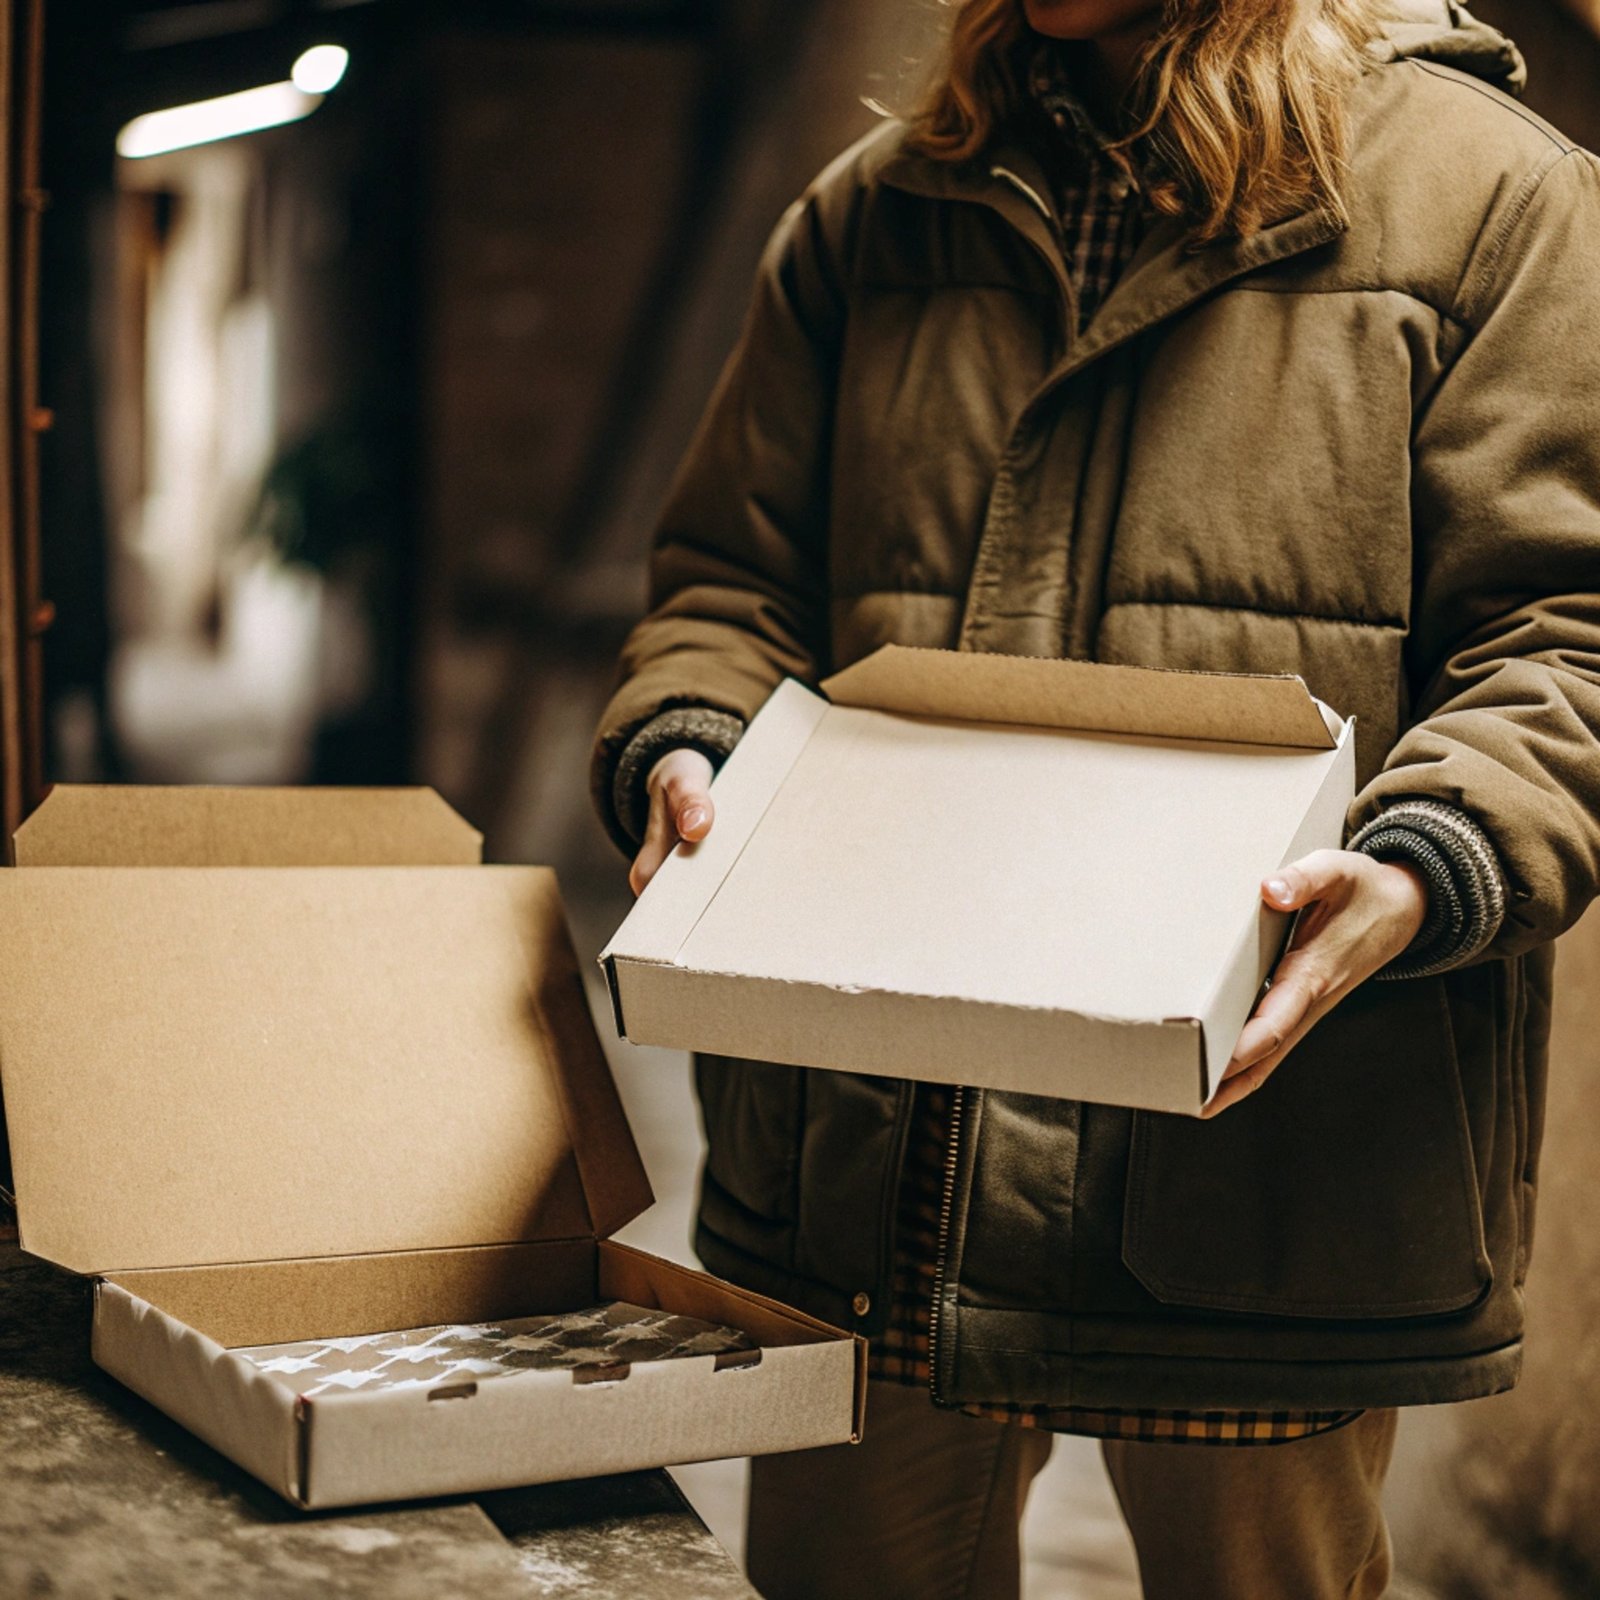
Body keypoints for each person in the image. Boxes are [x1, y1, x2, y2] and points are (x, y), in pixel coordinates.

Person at [589, 1, 1600, 1595]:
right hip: (874, 1156)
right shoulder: (876, 210)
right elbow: (729, 582)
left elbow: (1569, 631)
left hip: (1261, 1155)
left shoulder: (1494, 199)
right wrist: (692, 737)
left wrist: (1430, 859)